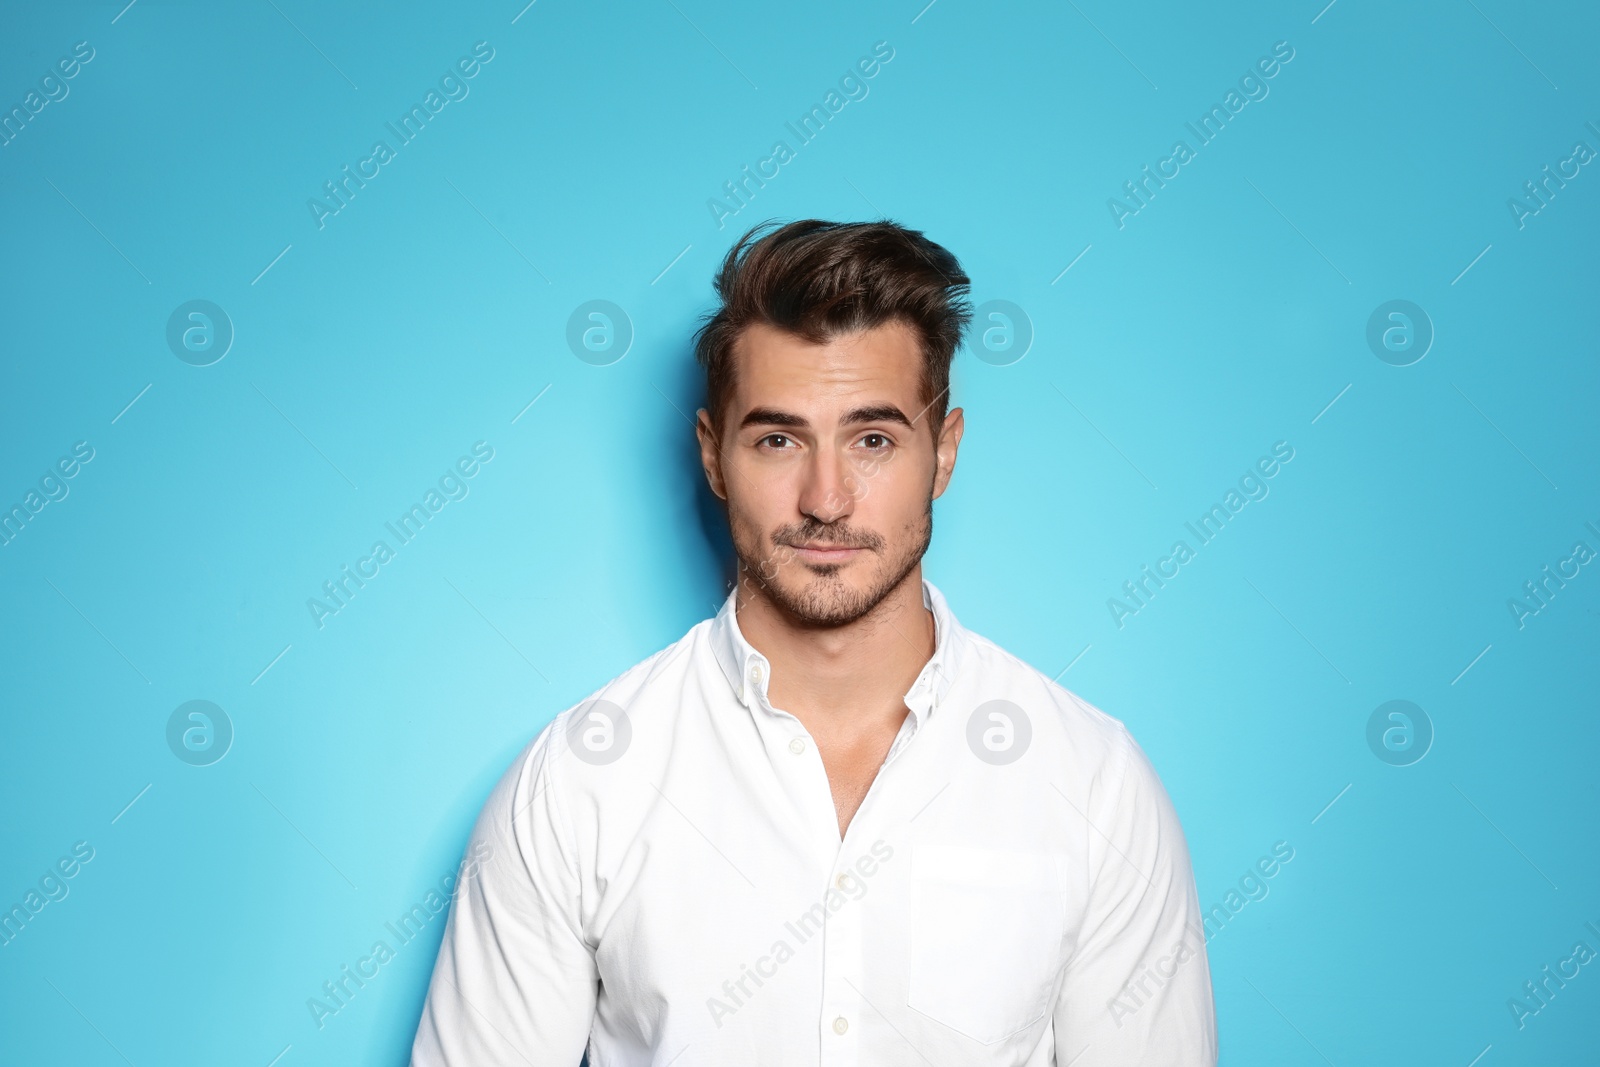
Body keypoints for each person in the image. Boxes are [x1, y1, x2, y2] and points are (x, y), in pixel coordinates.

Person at [410, 219, 1217, 1066]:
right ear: (713, 457)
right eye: (777, 439)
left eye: (873, 439)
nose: (826, 498)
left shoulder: (1094, 785)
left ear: (943, 453)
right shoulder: (579, 784)